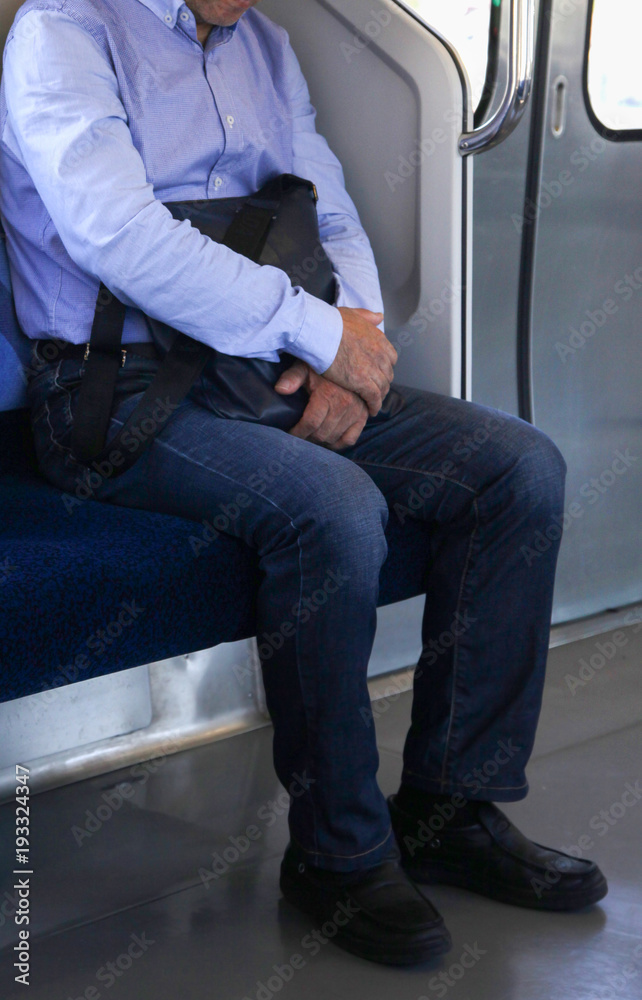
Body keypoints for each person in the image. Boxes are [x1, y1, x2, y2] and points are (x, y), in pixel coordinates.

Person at [0, 0, 607, 967]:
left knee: (518, 468)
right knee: (334, 505)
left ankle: (450, 812)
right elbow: (116, 234)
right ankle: (338, 854)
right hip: (116, 391)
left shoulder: (266, 45)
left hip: (263, 359)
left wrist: (348, 346)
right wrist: (316, 335)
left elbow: (324, 208)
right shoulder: (65, 31)